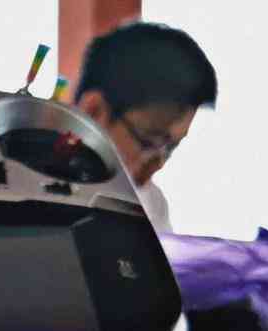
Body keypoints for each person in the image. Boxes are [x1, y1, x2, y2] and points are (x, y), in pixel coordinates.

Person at [74, 22, 218, 232]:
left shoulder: (152, 204)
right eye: (149, 141)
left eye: (171, 147)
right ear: (94, 110)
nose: (158, 165)